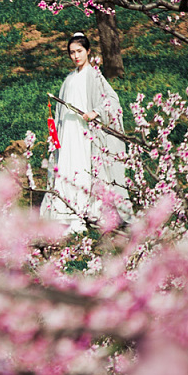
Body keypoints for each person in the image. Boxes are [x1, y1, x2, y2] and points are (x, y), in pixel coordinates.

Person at [44, 32, 129, 232]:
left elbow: (112, 100)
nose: (76, 56)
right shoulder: (69, 79)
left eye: (79, 51)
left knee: (83, 168)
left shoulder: (94, 75)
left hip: (84, 133)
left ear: (88, 52)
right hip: (69, 133)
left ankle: (86, 211)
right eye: (72, 52)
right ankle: (64, 212)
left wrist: (95, 112)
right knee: (66, 167)